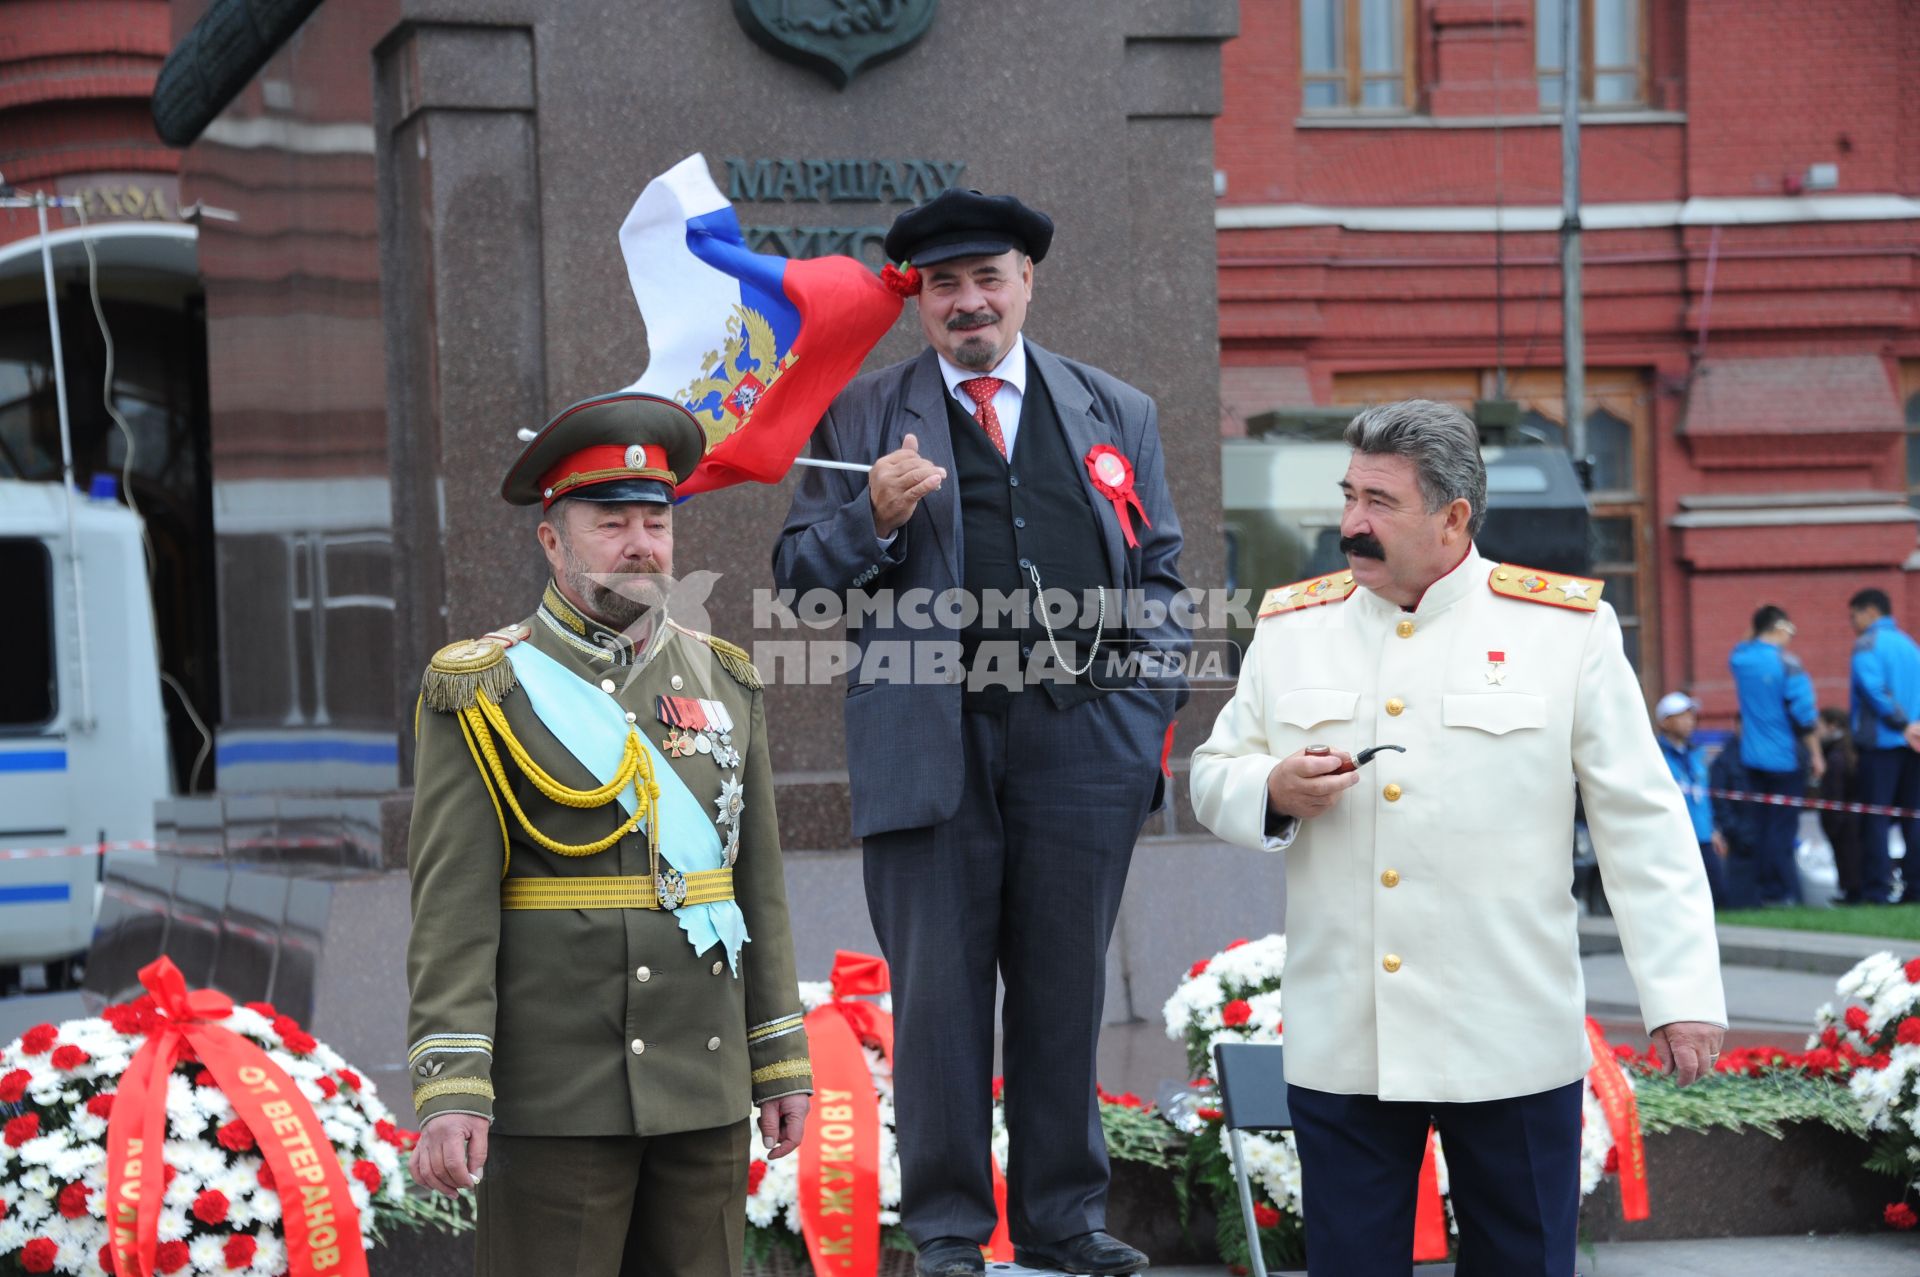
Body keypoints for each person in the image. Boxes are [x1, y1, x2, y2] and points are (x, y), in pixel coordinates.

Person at [1189, 399, 1725, 1277]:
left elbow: (1642, 821)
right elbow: (1215, 773)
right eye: (1349, 493)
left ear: (1453, 516)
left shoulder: (1563, 631)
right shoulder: (1292, 627)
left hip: (1508, 1030)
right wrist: (1272, 788)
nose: (1351, 523)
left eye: (1381, 502)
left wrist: (1682, 993)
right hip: (1346, 1036)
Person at [773, 189, 1187, 1277]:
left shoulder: (1115, 409)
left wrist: (1140, 704)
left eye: (987, 278)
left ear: (1027, 281)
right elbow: (801, 586)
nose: (969, 302)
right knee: (939, 995)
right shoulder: (861, 415)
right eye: (945, 285)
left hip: (1080, 744)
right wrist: (873, 520)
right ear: (920, 300)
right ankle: (949, 1229)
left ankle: (1063, 1216)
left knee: (1065, 986)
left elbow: (1163, 575)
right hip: (928, 743)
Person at [405, 392, 813, 1276]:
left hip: (702, 1080)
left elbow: (760, 888)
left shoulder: (727, 682)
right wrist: (451, 1084)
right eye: (611, 522)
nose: (641, 545)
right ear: (551, 539)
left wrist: (779, 1058)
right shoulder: (485, 687)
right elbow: (452, 907)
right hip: (560, 1083)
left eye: (656, 522)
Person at [1728, 605, 1822, 904]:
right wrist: (1816, 754)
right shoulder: (1788, 663)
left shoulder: (1740, 659)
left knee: (1760, 825)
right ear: (1779, 627)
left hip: (1752, 758)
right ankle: (1783, 892)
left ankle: (1762, 892)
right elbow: (1804, 714)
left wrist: (1757, 630)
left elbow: (1744, 642)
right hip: (1785, 758)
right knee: (1782, 829)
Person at [1848, 588, 1920, 903]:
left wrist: (1900, 724)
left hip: (1882, 744)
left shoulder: (1866, 645)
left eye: (1854, 615)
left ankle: (1876, 889)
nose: (1853, 623)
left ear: (1870, 612)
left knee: (1875, 819)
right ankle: (1916, 888)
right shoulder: (1910, 645)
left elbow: (1875, 690)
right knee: (1913, 818)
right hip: (1914, 745)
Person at [1655, 692, 1727, 909]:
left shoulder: (1697, 754)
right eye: (1682, 716)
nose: (1690, 721)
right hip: (1673, 836)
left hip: (1703, 834)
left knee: (1717, 894)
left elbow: (1703, 795)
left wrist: (1714, 829)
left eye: (1691, 716)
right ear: (1665, 722)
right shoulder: (1655, 755)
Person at [1708, 719, 1761, 910]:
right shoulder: (1725, 761)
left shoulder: (1759, 756)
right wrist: (1734, 829)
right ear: (1738, 725)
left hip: (1757, 831)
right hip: (1738, 835)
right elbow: (1719, 800)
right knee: (1738, 885)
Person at [1818, 706, 1864, 904]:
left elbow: (1834, 792)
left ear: (1832, 726)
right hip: (1851, 819)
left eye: (1819, 726)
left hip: (1843, 821)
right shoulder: (1849, 751)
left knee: (1848, 859)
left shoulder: (1836, 757)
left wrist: (1832, 821)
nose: (1816, 731)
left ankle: (1852, 895)